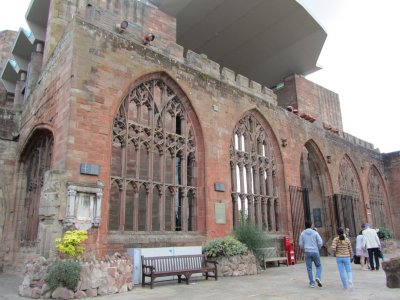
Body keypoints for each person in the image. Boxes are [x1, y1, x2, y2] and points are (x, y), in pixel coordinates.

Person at [299, 220, 323, 288]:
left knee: (309, 268)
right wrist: (318, 248)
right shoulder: (315, 233)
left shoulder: (302, 233)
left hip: (307, 251)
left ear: (305, 225)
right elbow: (320, 242)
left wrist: (304, 248)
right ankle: (318, 277)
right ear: (311, 225)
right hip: (315, 251)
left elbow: (300, 244)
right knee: (318, 266)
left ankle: (312, 283)